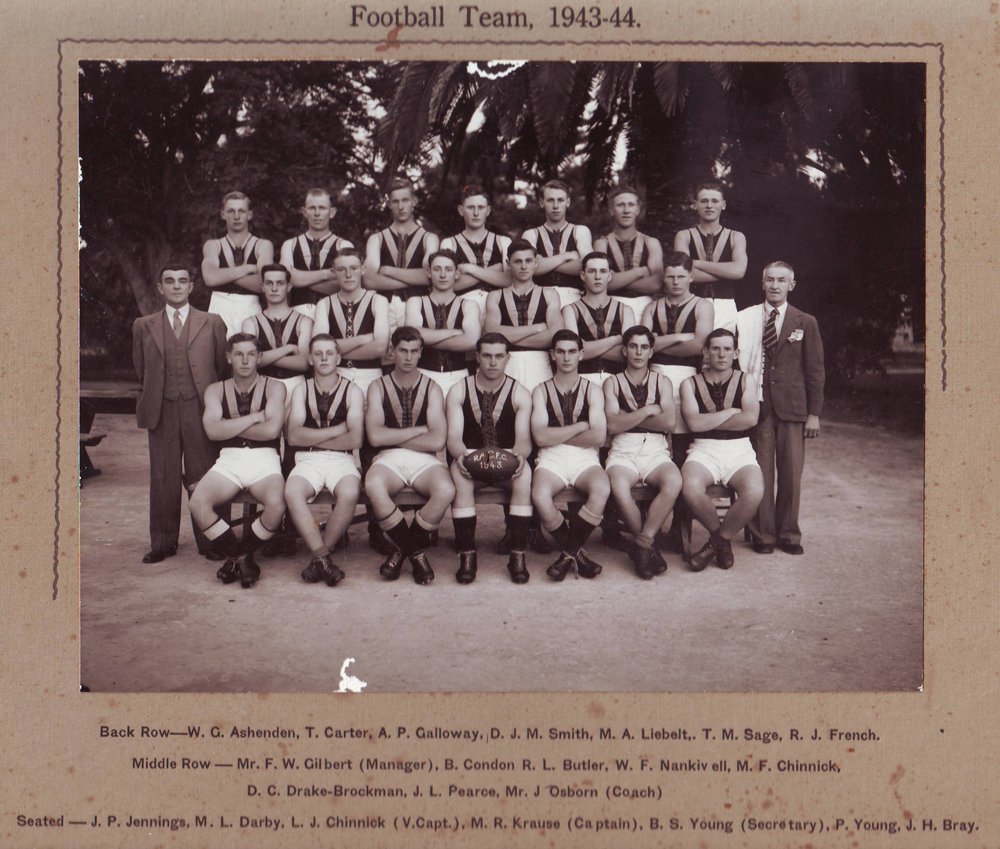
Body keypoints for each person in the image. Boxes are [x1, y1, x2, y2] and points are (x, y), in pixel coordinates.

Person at [132, 263, 228, 563]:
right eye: (169, 281)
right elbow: (140, 368)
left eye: (182, 281)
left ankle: (213, 540)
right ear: (160, 287)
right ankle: (163, 543)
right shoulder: (143, 325)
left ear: (191, 286)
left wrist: (211, 403)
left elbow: (221, 368)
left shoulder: (211, 322)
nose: (176, 286)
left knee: (206, 474)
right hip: (162, 408)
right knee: (163, 475)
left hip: (200, 408)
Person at [735, 261, 824, 555]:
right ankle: (763, 534)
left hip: (793, 408)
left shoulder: (804, 321)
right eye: (770, 280)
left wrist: (814, 414)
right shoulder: (747, 319)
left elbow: (815, 370)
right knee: (762, 472)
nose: (775, 285)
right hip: (759, 405)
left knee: (790, 474)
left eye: (781, 280)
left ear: (791, 285)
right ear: (762, 284)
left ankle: (789, 534)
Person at [188, 334, 287, 589]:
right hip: (229, 458)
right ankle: (243, 558)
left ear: (259, 357)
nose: (245, 360)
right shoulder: (215, 389)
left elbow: (271, 432)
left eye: (251, 354)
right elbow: (212, 432)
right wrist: (255, 417)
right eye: (239, 354)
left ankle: (236, 557)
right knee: (198, 503)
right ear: (229, 357)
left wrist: (227, 427)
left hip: (265, 459)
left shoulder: (275, 387)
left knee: (276, 505)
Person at [364, 327, 455, 585]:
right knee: (374, 485)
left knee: (446, 489)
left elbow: (437, 440)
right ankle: (416, 553)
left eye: (414, 351)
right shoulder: (377, 386)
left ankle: (400, 550)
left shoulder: (432, 388)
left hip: (425, 459)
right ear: (392, 351)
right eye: (403, 350)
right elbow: (375, 437)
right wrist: (418, 430)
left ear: (421, 353)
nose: (408, 357)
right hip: (388, 457)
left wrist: (393, 433)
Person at [446, 333, 534, 584]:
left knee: (524, 476)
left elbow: (524, 440)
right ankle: (467, 555)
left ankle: (517, 555)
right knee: (458, 477)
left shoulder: (520, 392)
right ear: (477, 357)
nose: (492, 362)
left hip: (507, 457)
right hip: (471, 457)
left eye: (498, 356)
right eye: (487, 356)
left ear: (508, 358)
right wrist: (461, 456)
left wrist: (519, 457)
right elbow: (453, 437)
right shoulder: (458, 389)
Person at [679, 328, 764, 571]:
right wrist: (729, 412)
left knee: (755, 490)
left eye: (727, 349)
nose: (721, 354)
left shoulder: (745, 380)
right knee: (690, 487)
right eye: (715, 348)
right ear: (706, 352)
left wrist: (710, 419)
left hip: (739, 449)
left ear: (735, 352)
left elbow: (750, 419)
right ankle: (722, 541)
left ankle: (716, 543)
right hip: (704, 449)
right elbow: (694, 423)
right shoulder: (690, 383)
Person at [284, 335, 365, 586]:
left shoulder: (352, 390)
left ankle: (320, 557)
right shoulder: (301, 390)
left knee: (350, 492)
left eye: (330, 353)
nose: (324, 358)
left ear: (339, 357)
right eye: (318, 353)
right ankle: (324, 559)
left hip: (342, 459)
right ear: (310, 358)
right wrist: (336, 430)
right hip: (308, 458)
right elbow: (293, 436)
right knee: (292, 491)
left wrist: (314, 438)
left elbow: (355, 440)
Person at [530, 330, 610, 581]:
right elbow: (540, 438)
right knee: (540, 496)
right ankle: (575, 553)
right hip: (551, 457)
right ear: (552, 355)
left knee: (601, 489)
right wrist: (579, 426)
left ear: (581, 354)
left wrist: (557, 433)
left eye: (572, 351)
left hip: (585, 458)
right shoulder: (540, 391)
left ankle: (567, 554)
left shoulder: (593, 390)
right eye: (561, 352)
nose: (566, 357)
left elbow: (598, 437)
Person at [603, 325, 681, 578]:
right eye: (633, 346)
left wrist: (628, 417)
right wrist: (648, 411)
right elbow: (613, 425)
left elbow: (668, 423)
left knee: (674, 481)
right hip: (623, 448)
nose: (638, 352)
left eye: (644, 347)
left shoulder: (663, 381)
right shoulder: (611, 383)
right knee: (619, 486)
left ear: (651, 351)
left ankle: (643, 543)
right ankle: (648, 549)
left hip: (656, 448)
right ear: (624, 350)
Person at [641, 252, 714, 436]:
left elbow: (699, 346)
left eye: (681, 276)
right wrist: (679, 337)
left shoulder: (703, 305)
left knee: (683, 432)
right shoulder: (652, 307)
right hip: (654, 374)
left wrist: (657, 343)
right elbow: (641, 346)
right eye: (671, 277)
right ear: (664, 277)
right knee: (655, 432)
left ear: (691, 277)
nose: (675, 282)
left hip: (687, 374)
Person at [483, 239, 563, 392]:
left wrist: (508, 337)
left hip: (540, 363)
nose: (524, 266)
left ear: (536, 262)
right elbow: (492, 334)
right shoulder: (495, 296)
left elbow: (554, 336)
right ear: (508, 263)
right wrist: (537, 329)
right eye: (518, 261)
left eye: (528, 260)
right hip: (507, 363)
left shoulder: (550, 294)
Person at [364, 178, 439, 336]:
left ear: (414, 201)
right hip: (385, 308)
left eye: (405, 200)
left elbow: (428, 276)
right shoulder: (376, 239)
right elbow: (368, 280)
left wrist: (388, 270)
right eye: (395, 201)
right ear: (389, 204)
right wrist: (412, 278)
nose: (401, 206)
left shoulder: (429, 238)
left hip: (418, 307)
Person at [313, 249, 390, 396]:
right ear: (333, 272)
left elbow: (380, 348)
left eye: (353, 268)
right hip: (335, 375)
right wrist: (363, 339)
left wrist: (333, 352)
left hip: (371, 375)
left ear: (363, 269)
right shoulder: (324, 304)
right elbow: (319, 348)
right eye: (341, 269)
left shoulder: (378, 301)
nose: (348, 275)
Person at [404, 249, 481, 396]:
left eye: (448, 269)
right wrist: (454, 333)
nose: (443, 275)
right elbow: (412, 337)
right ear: (428, 272)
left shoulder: (469, 305)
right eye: (437, 269)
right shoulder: (415, 302)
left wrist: (425, 338)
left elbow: (471, 341)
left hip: (458, 376)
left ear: (457, 273)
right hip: (422, 374)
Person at [673, 181, 747, 330]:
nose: (709, 205)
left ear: (723, 204)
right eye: (704, 201)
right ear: (695, 204)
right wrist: (727, 272)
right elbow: (682, 274)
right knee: (693, 350)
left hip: (726, 304)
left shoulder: (736, 236)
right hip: (691, 301)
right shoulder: (684, 236)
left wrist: (697, 263)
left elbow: (739, 271)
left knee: (722, 350)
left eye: (715, 201)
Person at [201, 191, 274, 336]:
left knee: (249, 354)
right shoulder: (213, 245)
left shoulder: (263, 245)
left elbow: (263, 284)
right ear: (223, 214)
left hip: (250, 305)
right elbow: (210, 278)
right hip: (219, 304)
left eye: (241, 211)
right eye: (231, 211)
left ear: (249, 214)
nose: (236, 216)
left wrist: (222, 274)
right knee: (218, 355)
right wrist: (247, 268)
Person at [241, 263, 312, 407]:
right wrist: (287, 349)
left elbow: (304, 363)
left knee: (293, 428)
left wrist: (261, 357)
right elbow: (249, 360)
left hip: (297, 386)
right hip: (263, 385)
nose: (274, 288)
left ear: (289, 286)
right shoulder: (250, 322)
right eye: (269, 283)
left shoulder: (304, 321)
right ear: (262, 287)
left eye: (280, 283)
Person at [278, 187, 353, 320]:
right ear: (304, 211)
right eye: (312, 208)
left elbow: (345, 286)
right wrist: (328, 274)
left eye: (322, 208)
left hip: (334, 314)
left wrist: (300, 280)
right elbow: (285, 280)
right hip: (297, 316)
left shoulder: (344, 245)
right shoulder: (290, 245)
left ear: (332, 212)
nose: (317, 213)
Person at [562, 251, 636, 386]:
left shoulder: (625, 310)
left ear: (610, 275)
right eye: (591, 271)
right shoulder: (570, 310)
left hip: (618, 382)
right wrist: (617, 339)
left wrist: (587, 348)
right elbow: (573, 353)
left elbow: (629, 355)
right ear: (583, 275)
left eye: (602, 271)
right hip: (581, 381)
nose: (597, 277)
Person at [593, 185, 664, 319]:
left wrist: (616, 281)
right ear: (611, 210)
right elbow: (600, 283)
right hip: (612, 305)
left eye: (631, 205)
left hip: (645, 306)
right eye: (620, 205)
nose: (626, 210)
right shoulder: (602, 244)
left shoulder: (651, 243)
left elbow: (656, 284)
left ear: (637, 209)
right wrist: (640, 272)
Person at [440, 184, 512, 314]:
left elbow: (509, 280)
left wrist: (470, 269)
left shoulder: (503, 242)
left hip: (498, 306)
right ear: (461, 210)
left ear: (488, 210)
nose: (476, 213)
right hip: (462, 307)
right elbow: (448, 285)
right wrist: (494, 271)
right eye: (470, 207)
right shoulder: (449, 243)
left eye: (481, 207)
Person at [520, 179, 592, 307]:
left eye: (560, 200)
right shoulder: (531, 234)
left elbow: (589, 266)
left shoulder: (580, 231)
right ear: (542, 203)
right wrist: (567, 256)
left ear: (568, 202)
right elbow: (530, 268)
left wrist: (543, 263)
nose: (555, 206)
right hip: (539, 296)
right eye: (550, 200)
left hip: (573, 296)